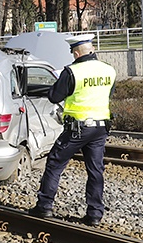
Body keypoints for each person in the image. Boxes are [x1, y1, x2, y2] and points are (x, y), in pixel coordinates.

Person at [28, 33, 116, 226]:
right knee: (95, 170)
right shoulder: (108, 70)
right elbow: (107, 93)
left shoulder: (72, 71)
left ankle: (44, 206)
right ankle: (94, 213)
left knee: (54, 163)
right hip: (100, 128)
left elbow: (54, 96)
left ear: (76, 52)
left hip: (77, 129)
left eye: (71, 52)